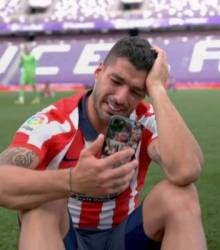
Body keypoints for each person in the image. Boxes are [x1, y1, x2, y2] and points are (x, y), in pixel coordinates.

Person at [0, 37, 207, 250]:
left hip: (122, 238)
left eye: (136, 91)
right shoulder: (55, 122)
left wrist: (157, 89)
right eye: (116, 81)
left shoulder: (144, 119)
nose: (120, 97)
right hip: (65, 237)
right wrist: (72, 181)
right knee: (42, 203)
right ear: (98, 73)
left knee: (181, 196)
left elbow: (186, 170)